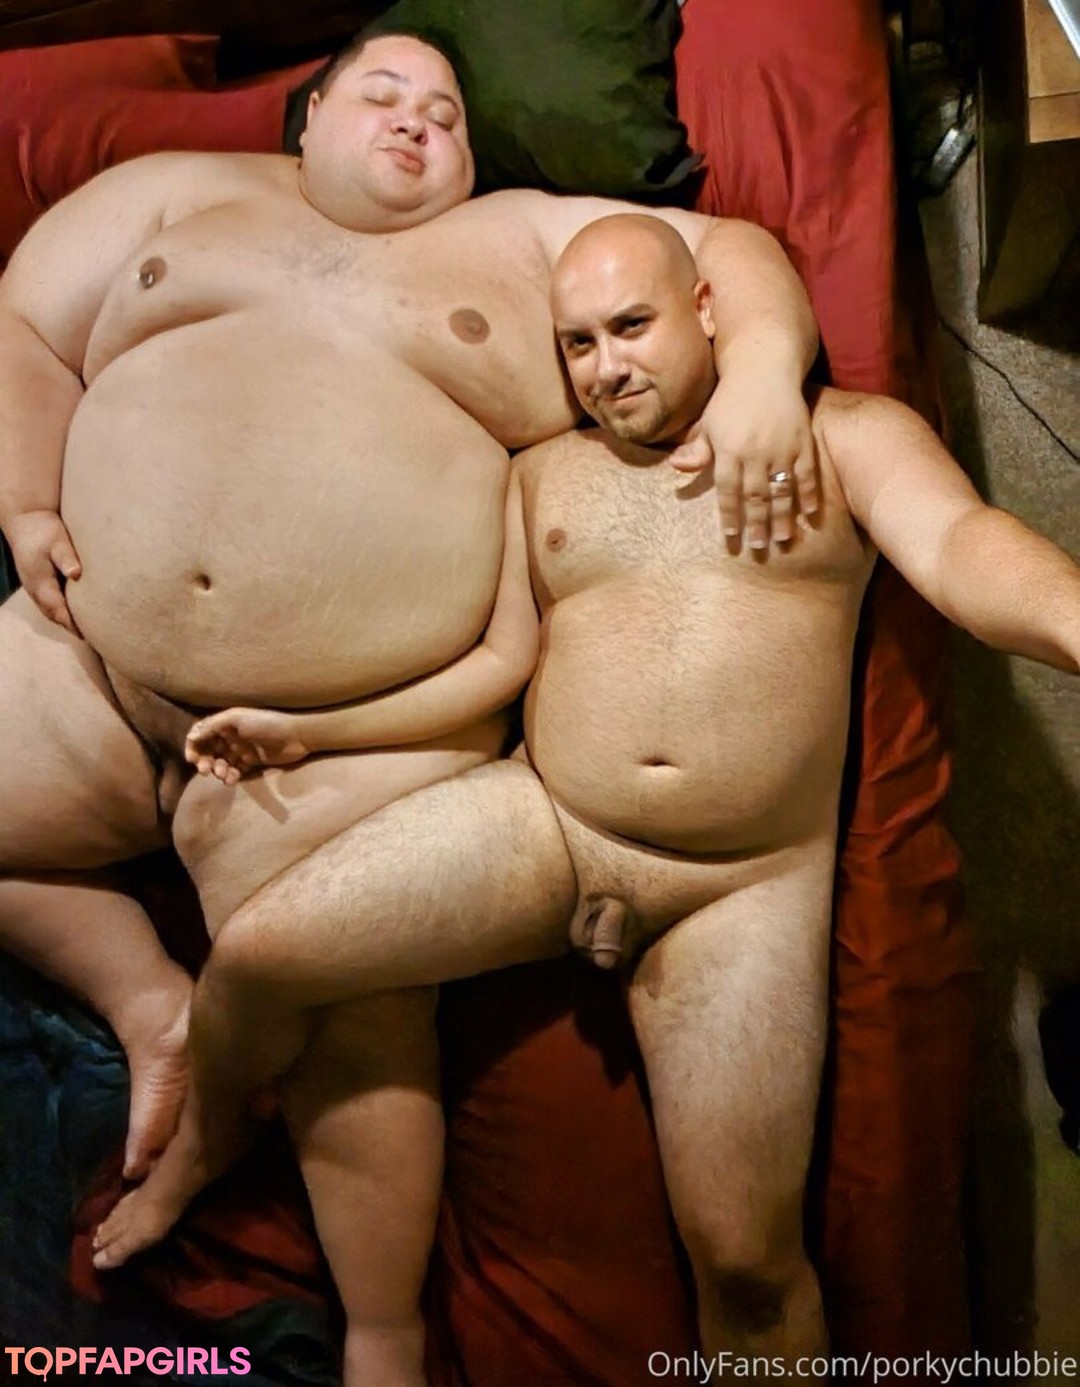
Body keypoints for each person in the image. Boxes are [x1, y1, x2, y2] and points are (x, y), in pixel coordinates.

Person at [91, 214, 1080, 1375]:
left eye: (631, 326)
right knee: (255, 958)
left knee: (748, 1263)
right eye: (578, 344)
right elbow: (497, 665)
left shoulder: (840, 435)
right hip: (548, 826)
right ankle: (203, 1143)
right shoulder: (540, 472)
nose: (607, 367)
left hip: (741, 889)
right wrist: (309, 732)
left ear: (706, 310)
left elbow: (962, 547)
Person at [0, 27, 820, 1384]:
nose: (416, 121)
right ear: (308, 117)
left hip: (353, 728)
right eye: (381, 94)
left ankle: (385, 1334)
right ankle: (146, 1001)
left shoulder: (523, 237)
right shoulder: (168, 194)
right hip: (84, 656)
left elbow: (729, 252)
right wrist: (27, 500)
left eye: (446, 113)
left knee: (358, 1011)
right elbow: (22, 321)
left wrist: (769, 378)